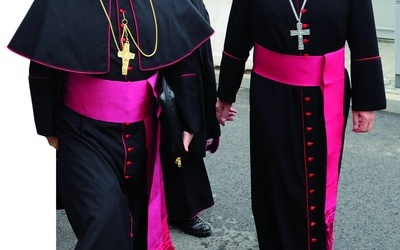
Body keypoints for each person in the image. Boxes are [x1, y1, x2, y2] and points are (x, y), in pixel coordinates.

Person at [7, 0, 215, 249]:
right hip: (83, 133)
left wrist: (189, 123)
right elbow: (43, 66)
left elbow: (182, 62)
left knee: (138, 226)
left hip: (144, 133)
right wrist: (47, 127)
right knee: (103, 222)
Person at [215, 0, 386, 249]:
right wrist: (226, 94)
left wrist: (366, 102)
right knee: (273, 178)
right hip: (271, 95)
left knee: (319, 178)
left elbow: (364, 40)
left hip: (327, 94)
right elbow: (236, 39)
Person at [160, 0, 222, 238]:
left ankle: (179, 207)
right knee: (176, 131)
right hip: (172, 73)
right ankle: (181, 210)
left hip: (193, 68)